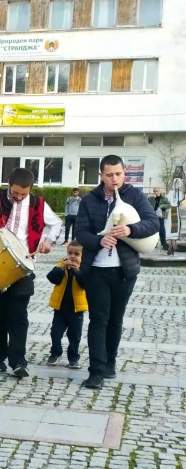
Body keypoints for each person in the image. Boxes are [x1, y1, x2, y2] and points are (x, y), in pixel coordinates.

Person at [0, 167, 62, 379]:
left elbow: (56, 224)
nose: (18, 197)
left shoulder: (38, 204)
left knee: (18, 315)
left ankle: (19, 361)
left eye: (23, 194)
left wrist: (48, 241)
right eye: (15, 193)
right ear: (9, 184)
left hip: (23, 265)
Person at [74, 155, 158, 389]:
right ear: (101, 175)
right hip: (97, 270)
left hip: (124, 270)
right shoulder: (90, 200)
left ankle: (110, 360)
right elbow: (81, 231)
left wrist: (130, 229)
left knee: (115, 318)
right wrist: (98, 241)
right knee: (98, 319)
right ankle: (96, 371)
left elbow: (153, 222)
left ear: (124, 174)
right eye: (109, 175)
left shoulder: (134, 195)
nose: (115, 179)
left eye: (118, 174)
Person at [45, 240, 87, 369]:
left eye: (77, 254)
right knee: (55, 333)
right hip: (60, 308)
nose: (73, 256)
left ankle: (73, 358)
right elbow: (52, 278)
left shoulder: (84, 268)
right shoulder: (61, 265)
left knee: (75, 335)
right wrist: (62, 269)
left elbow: (85, 284)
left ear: (82, 256)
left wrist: (78, 271)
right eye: (70, 253)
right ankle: (55, 353)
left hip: (76, 309)